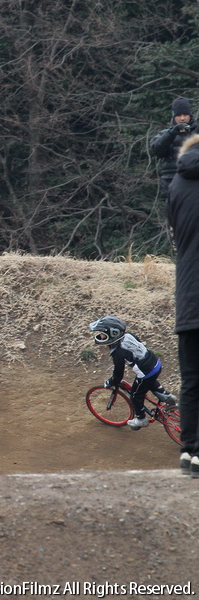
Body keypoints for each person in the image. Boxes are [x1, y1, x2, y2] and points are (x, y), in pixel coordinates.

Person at [166, 131, 199, 478]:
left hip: (189, 297)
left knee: (191, 381)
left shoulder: (176, 183)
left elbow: (176, 232)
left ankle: (189, 450)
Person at [89, 316, 177, 430]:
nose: (100, 336)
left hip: (145, 371)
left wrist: (112, 381)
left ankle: (141, 419)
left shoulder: (117, 352)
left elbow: (118, 373)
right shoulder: (128, 335)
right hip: (155, 362)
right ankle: (166, 396)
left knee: (135, 396)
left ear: (113, 335)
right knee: (149, 381)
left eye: (102, 334)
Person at [150, 97, 195, 203]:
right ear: (174, 116)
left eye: (185, 115)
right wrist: (171, 134)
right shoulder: (165, 134)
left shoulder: (196, 133)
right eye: (179, 115)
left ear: (190, 115)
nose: (182, 118)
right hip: (171, 182)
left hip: (193, 182)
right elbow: (157, 150)